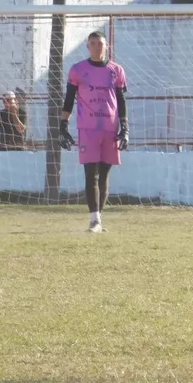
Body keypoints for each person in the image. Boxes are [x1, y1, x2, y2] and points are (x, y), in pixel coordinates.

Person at [59, 30, 128, 233]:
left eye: (101, 43)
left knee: (105, 175)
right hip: (88, 129)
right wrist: (63, 125)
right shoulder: (77, 70)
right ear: (87, 46)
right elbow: (69, 99)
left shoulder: (117, 71)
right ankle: (94, 220)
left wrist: (125, 128)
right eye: (93, 43)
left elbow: (122, 101)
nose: (98, 46)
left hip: (110, 128)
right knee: (91, 174)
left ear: (106, 47)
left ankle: (99, 220)